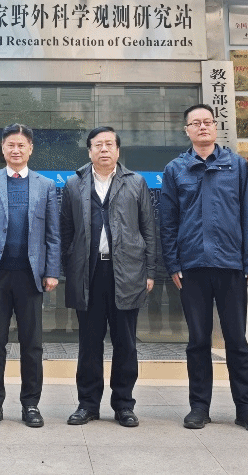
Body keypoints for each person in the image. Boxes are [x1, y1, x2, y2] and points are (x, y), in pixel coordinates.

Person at [158, 103, 248, 433]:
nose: (202, 127)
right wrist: (173, 263)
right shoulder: (175, 169)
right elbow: (167, 221)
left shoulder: (236, 165)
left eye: (207, 121)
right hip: (192, 267)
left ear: (215, 127)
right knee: (197, 341)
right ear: (187, 130)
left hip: (231, 265)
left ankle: (246, 408)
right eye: (196, 123)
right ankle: (199, 407)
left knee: (237, 341)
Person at [60, 126, 161, 428]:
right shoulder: (74, 184)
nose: (104, 149)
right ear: (89, 150)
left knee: (125, 343)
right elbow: (66, 231)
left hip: (127, 271)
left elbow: (149, 229)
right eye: (98, 144)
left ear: (117, 150)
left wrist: (150, 271)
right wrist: (69, 269)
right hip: (89, 273)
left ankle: (124, 405)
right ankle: (87, 404)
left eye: (109, 144)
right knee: (89, 344)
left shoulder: (135, 182)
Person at [0, 123, 60, 428]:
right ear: (3, 148)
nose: (16, 150)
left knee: (32, 344)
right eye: (11, 145)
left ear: (30, 149)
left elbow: (53, 234)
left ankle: (31, 404)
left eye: (21, 145)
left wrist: (52, 270)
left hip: (31, 276)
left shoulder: (46, 185)